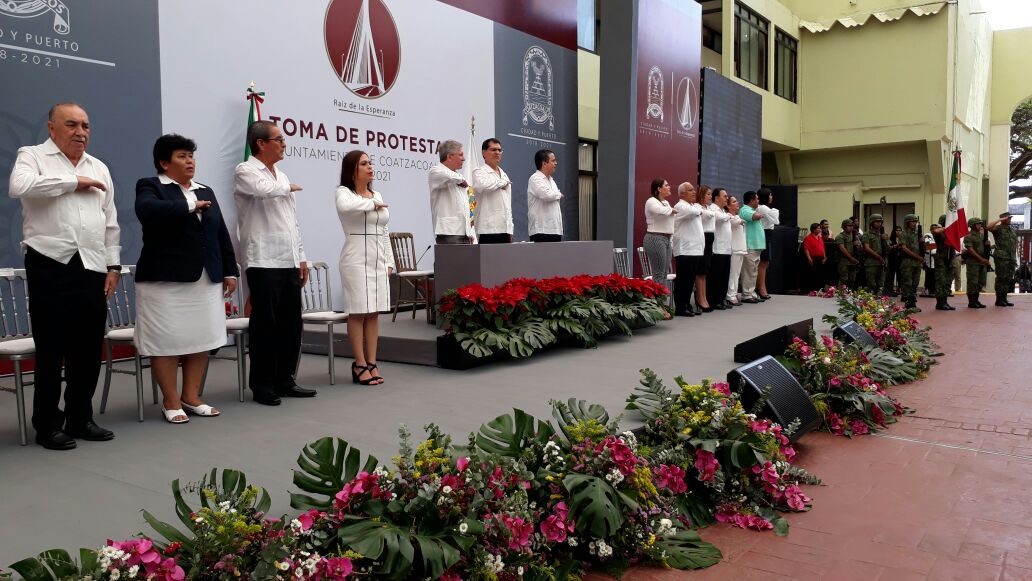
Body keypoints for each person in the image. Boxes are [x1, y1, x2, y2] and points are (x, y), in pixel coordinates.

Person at [8, 102, 120, 450]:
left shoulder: (98, 166)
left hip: (92, 265)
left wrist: (113, 266)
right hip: (49, 264)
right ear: (52, 128)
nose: (81, 132)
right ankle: (47, 424)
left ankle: (81, 418)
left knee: (88, 348)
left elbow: (110, 220)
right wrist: (73, 181)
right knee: (51, 349)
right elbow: (19, 186)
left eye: (85, 125)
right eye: (71, 124)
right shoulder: (32, 155)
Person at [135, 134, 239, 423]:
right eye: (182, 156)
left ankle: (191, 396)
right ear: (164, 162)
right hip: (164, 281)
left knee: (201, 337)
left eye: (191, 155)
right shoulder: (151, 186)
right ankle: (170, 400)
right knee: (166, 340)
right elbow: (148, 211)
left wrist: (229, 270)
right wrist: (190, 206)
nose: (190, 161)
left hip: (205, 278)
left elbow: (220, 234)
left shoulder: (206, 190)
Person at [234, 120, 315, 406]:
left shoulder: (280, 174)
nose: (284, 144)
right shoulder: (246, 170)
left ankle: (285, 379)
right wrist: (286, 186)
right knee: (265, 324)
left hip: (289, 259)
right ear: (261, 143)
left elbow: (292, 222)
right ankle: (262, 384)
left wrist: (301, 257)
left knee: (291, 324)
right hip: (263, 259)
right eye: (279, 139)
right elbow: (264, 191)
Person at [335, 151, 395, 385]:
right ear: (352, 170)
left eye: (371, 162)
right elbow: (347, 207)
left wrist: (389, 260)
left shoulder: (376, 194)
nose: (370, 167)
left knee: (373, 313)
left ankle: (372, 362)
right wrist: (374, 204)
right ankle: (359, 364)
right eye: (364, 164)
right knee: (358, 311)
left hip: (377, 258)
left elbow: (385, 230)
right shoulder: (343, 193)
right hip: (355, 258)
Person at [428, 140, 474, 244]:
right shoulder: (435, 171)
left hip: (463, 234)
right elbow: (448, 176)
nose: (464, 158)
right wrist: (462, 179)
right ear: (449, 156)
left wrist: (468, 232)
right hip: (448, 232)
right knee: (449, 260)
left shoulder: (458, 176)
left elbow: (463, 207)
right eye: (460, 155)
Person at [472, 138, 513, 244]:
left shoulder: (504, 175)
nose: (497, 153)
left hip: (505, 229)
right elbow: (483, 186)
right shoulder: (479, 172)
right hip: (488, 229)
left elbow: (508, 204)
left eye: (499, 150)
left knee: (505, 260)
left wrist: (510, 228)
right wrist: (500, 184)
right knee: (488, 260)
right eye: (493, 150)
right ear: (484, 153)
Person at [671, 182, 703, 316]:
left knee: (690, 279)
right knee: (683, 279)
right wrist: (699, 208)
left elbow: (698, 210)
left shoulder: (691, 205)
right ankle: (680, 306)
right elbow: (695, 211)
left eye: (693, 190)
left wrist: (699, 208)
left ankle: (686, 303)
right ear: (682, 193)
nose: (694, 192)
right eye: (690, 190)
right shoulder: (680, 206)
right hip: (685, 249)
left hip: (695, 249)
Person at [644, 178, 676, 299]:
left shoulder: (666, 203)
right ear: (659, 189)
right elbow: (659, 211)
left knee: (664, 273)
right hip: (655, 238)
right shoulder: (651, 201)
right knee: (658, 274)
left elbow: (667, 213)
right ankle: (656, 304)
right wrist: (672, 210)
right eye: (666, 185)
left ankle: (661, 302)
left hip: (667, 239)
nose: (669, 187)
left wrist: (671, 210)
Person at [527, 149, 563, 242]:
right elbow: (546, 195)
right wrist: (558, 194)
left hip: (555, 229)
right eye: (553, 160)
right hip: (541, 230)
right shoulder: (535, 178)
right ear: (544, 163)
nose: (556, 163)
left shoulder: (551, 180)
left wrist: (556, 194)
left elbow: (552, 196)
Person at [708, 188, 733, 309]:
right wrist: (728, 215)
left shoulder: (723, 210)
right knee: (715, 277)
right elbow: (718, 218)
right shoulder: (713, 208)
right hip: (717, 249)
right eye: (724, 196)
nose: (726, 198)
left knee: (724, 276)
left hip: (726, 249)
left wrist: (727, 215)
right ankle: (714, 300)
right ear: (716, 198)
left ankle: (721, 298)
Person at [738, 191, 765, 303]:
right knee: (748, 271)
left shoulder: (753, 209)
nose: (758, 201)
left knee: (753, 271)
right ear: (751, 200)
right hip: (750, 245)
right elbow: (754, 217)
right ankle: (746, 294)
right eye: (757, 199)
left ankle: (751, 293)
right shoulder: (744, 210)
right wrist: (761, 214)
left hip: (756, 246)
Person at [989, 211, 1017, 306]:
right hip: (1001, 258)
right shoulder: (998, 229)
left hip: (1011, 258)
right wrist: (999, 220)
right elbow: (988, 227)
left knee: (1008, 278)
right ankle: (999, 299)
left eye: (1010, 218)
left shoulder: (1011, 230)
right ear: (1003, 219)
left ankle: (1004, 298)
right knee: (1001, 278)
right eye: (1008, 218)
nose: (1010, 219)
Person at [756, 188, 779, 300]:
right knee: (763, 263)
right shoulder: (763, 208)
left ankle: (761, 287)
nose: (771, 197)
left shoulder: (764, 208)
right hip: (764, 234)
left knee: (765, 263)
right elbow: (776, 220)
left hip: (767, 234)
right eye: (770, 195)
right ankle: (761, 288)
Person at [695, 185, 715, 311]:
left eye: (710, 194)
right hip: (702, 239)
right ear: (702, 194)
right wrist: (711, 212)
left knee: (705, 271)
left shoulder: (708, 208)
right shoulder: (697, 207)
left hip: (710, 240)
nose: (710, 196)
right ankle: (700, 298)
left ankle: (704, 297)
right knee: (700, 270)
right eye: (708, 194)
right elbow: (707, 215)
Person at [930, 214, 956, 311]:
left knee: (948, 281)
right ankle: (940, 303)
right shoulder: (938, 229)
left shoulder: (951, 231)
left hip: (950, 258)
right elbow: (935, 231)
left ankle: (945, 301)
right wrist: (948, 227)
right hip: (941, 258)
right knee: (941, 281)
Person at [963, 217, 990, 309]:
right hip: (973, 262)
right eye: (977, 224)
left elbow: (985, 248)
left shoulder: (982, 235)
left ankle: (976, 300)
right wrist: (981, 259)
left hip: (982, 262)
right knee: (972, 282)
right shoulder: (968, 236)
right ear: (972, 225)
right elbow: (970, 250)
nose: (979, 225)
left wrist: (988, 245)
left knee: (980, 281)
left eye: (980, 223)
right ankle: (971, 301)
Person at [898, 214, 923, 311]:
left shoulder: (918, 233)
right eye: (912, 222)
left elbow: (921, 246)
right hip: (907, 262)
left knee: (915, 283)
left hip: (917, 263)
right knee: (907, 283)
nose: (914, 224)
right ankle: (908, 303)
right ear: (907, 223)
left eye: (915, 222)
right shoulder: (903, 234)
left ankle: (912, 303)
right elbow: (904, 248)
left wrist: (923, 242)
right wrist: (917, 256)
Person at [727, 197, 747, 306]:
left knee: (737, 273)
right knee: (733, 273)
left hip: (741, 248)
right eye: (734, 202)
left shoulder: (737, 216)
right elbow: (735, 222)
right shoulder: (729, 216)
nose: (737, 203)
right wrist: (740, 221)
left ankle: (734, 293)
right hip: (734, 249)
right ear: (728, 206)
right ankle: (730, 295)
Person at [861, 214, 888, 293]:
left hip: (882, 262)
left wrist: (885, 240)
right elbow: (866, 248)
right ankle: (869, 300)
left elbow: (888, 249)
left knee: (880, 284)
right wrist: (879, 257)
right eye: (876, 222)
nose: (879, 223)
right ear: (872, 223)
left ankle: (878, 301)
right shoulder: (867, 234)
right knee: (871, 283)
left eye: (880, 222)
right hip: (871, 262)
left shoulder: (882, 234)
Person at [801, 223, 826, 293]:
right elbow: (806, 249)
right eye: (818, 228)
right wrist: (809, 259)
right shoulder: (808, 238)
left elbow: (822, 248)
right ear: (813, 229)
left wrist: (824, 257)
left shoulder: (820, 238)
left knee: (821, 275)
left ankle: (820, 289)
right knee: (813, 274)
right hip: (813, 258)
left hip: (821, 259)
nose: (820, 229)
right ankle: (813, 289)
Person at [835, 219, 860, 288]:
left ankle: (849, 293)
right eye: (849, 226)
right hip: (844, 260)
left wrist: (858, 245)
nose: (851, 227)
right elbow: (842, 249)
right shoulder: (840, 237)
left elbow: (860, 248)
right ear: (844, 227)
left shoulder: (855, 236)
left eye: (852, 226)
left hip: (854, 260)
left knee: (852, 279)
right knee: (844, 279)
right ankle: (841, 293)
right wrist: (851, 258)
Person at [882, 225, 904, 297]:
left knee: (900, 275)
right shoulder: (891, 239)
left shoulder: (903, 239)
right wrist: (897, 245)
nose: (898, 232)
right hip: (892, 259)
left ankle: (900, 289)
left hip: (900, 259)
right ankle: (890, 290)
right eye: (897, 230)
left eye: (900, 230)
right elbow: (888, 248)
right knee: (891, 275)